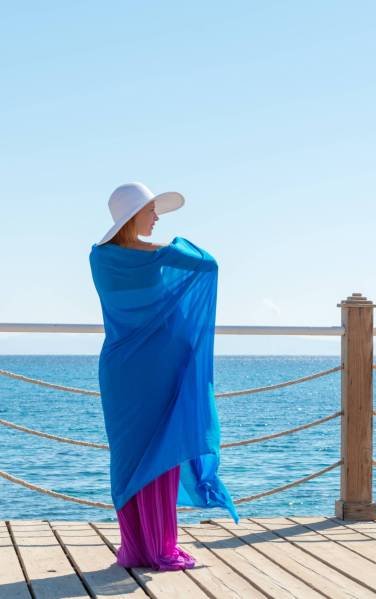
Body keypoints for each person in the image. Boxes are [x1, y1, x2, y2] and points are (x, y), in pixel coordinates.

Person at [89, 182, 239, 571]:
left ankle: (139, 547)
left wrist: (162, 251)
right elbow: (207, 264)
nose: (156, 218)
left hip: (123, 371)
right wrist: (171, 247)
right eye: (151, 210)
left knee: (131, 456)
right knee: (154, 453)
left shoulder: (99, 257)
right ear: (132, 215)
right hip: (153, 370)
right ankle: (157, 546)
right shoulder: (152, 257)